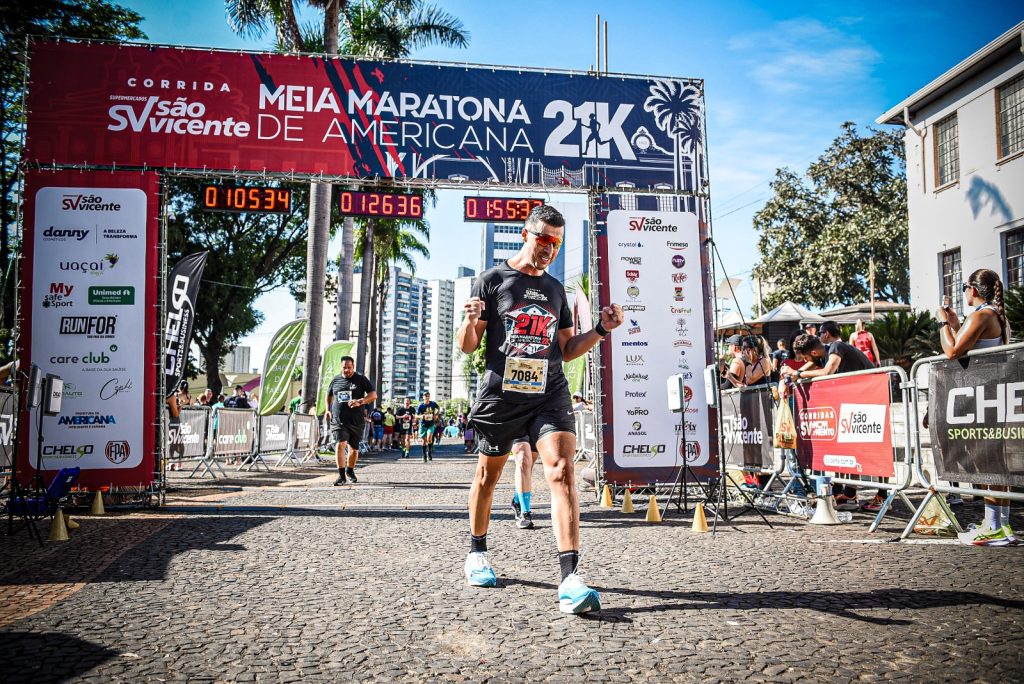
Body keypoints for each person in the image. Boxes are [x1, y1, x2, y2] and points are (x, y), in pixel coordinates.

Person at [457, 203, 624, 614]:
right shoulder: (492, 280)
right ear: (526, 234)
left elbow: (567, 349)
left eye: (557, 243)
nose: (549, 249)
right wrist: (470, 320)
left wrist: (601, 330)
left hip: (548, 393)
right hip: (502, 396)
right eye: (544, 239)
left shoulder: (555, 290)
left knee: (562, 471)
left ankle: (570, 579)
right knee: (487, 476)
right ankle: (477, 551)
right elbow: (468, 346)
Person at [938, 268, 1014, 546]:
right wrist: (957, 324)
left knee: (987, 462)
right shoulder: (996, 315)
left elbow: (952, 351)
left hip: (983, 394)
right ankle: (1000, 525)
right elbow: (968, 345)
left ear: (973, 289)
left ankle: (993, 526)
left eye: (963, 288)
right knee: (994, 461)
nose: (962, 293)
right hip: (991, 391)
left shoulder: (983, 314)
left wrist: (942, 324)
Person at [780, 327, 877, 510]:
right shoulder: (819, 354)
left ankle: (882, 495)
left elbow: (827, 372)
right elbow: (800, 371)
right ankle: (849, 494)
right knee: (849, 448)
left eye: (807, 357)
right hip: (856, 401)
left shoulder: (835, 347)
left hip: (872, 397)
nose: (807, 361)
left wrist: (797, 374)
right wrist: (788, 381)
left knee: (874, 447)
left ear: (814, 352)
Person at [326, 356, 377, 485]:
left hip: (356, 421)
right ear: (341, 367)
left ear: (353, 367)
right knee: (340, 444)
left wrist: (361, 401)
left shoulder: (360, 379)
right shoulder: (335, 380)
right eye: (344, 367)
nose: (347, 370)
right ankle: (341, 476)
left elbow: (373, 395)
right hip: (338, 420)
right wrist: (328, 409)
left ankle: (350, 470)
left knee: (354, 449)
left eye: (349, 367)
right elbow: (329, 395)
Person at [509, 437, 539, 529]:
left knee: (529, 463)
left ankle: (517, 501)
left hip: (537, 424)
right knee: (523, 459)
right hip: (516, 423)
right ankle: (525, 512)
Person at [416, 391, 441, 462]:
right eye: (425, 396)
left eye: (428, 396)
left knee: (429, 439)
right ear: (423, 397)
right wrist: (421, 416)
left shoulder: (433, 403)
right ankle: (424, 455)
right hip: (423, 425)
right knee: (424, 441)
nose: (427, 397)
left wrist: (436, 414)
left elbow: (438, 407)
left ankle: (429, 452)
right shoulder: (421, 406)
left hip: (431, 424)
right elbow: (416, 415)